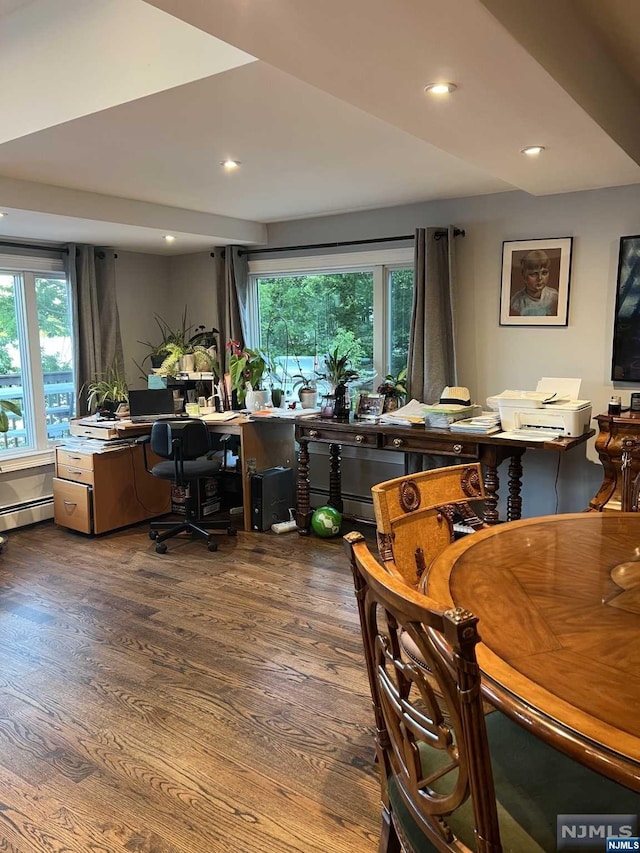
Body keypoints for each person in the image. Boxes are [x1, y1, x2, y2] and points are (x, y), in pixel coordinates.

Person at [510, 249, 558, 316]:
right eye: (534, 274)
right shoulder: (517, 302)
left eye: (544, 273)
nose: (540, 278)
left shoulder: (554, 297)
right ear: (524, 276)